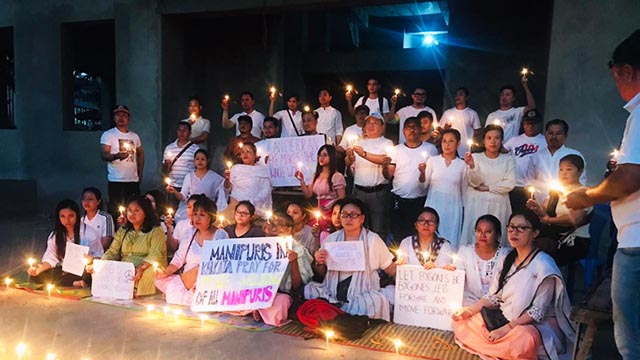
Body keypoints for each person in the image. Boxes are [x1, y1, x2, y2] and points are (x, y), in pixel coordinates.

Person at [565, 29, 640, 358]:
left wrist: (586, 196)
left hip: (637, 243)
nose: (617, 88)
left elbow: (630, 177)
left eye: (616, 78)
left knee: (631, 342)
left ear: (626, 71)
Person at [452, 211, 575, 360]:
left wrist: (506, 329)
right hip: (503, 317)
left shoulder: (544, 265)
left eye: (521, 228)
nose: (514, 232)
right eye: (511, 227)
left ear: (535, 233)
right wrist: (469, 311)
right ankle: (503, 350)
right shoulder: (506, 259)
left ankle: (500, 348)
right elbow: (493, 296)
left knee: (525, 338)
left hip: (531, 326)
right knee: (462, 321)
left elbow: (537, 312)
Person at [305, 198, 398, 321]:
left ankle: (340, 314)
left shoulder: (373, 240)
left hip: (362, 292)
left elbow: (389, 268)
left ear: (362, 219)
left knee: (377, 301)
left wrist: (402, 266)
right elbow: (322, 272)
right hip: (333, 289)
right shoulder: (331, 239)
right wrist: (319, 262)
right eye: (344, 214)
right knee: (310, 289)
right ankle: (343, 313)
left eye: (353, 215)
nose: (348, 219)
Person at [232, 212, 314, 327]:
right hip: (258, 292)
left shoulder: (298, 250)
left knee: (281, 302)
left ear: (290, 229)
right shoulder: (260, 246)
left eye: (280, 225)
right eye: (272, 223)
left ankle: (256, 310)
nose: (274, 228)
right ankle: (256, 308)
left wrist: (294, 262)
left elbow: (297, 286)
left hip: (280, 295)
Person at [155, 197, 228, 305]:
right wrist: (165, 272)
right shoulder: (190, 232)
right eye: (195, 214)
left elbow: (221, 264)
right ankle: (184, 294)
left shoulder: (221, 235)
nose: (197, 218)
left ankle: (182, 294)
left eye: (202, 215)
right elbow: (179, 258)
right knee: (158, 279)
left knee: (199, 270)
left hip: (208, 279)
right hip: (187, 280)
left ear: (212, 217)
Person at [527, 155, 591, 267]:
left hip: (573, 240)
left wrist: (549, 219)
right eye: (561, 169)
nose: (564, 173)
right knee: (525, 243)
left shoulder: (583, 193)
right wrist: (537, 208)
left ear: (580, 172)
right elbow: (544, 211)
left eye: (569, 169)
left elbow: (574, 219)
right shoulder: (556, 190)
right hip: (553, 234)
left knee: (538, 252)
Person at [384, 117, 438, 246]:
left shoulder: (430, 149)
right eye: (408, 127)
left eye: (415, 127)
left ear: (420, 129)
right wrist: (384, 166)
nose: (412, 130)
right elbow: (388, 176)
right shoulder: (396, 150)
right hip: (399, 200)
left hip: (420, 200)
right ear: (403, 131)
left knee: (419, 234)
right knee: (398, 234)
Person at [101, 196, 167, 296]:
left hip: (147, 266)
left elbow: (155, 254)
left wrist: (140, 267)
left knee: (150, 272)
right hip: (126, 267)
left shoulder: (156, 231)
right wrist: (101, 263)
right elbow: (112, 251)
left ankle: (137, 291)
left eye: (136, 210)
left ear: (145, 213)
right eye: (129, 210)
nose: (132, 214)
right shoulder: (123, 230)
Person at [461, 125, 515, 246]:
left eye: (497, 138)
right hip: (477, 204)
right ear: (484, 140)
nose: (493, 141)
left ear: (501, 141)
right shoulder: (475, 157)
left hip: (499, 204)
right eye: (489, 138)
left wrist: (488, 188)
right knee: (476, 234)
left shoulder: (508, 159)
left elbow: (510, 183)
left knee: (496, 235)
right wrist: (472, 166)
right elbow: (475, 182)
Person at [27, 199, 102, 287]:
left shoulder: (89, 233)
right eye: (62, 216)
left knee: (93, 276)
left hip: (83, 270)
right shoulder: (55, 235)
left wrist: (91, 260)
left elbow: (99, 255)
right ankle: (73, 283)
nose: (67, 220)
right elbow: (51, 258)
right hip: (63, 270)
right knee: (36, 276)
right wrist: (39, 269)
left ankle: (68, 282)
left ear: (77, 216)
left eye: (71, 216)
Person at [346, 115, 394, 242]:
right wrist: (349, 160)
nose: (371, 126)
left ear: (382, 126)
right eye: (368, 123)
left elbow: (385, 159)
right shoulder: (358, 144)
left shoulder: (387, 143)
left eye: (375, 123)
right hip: (359, 192)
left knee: (378, 229)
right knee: (358, 227)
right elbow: (351, 172)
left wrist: (364, 154)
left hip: (377, 193)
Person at [422, 129, 467, 248]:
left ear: (458, 144)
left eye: (451, 141)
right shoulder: (433, 161)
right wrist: (421, 173)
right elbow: (423, 185)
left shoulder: (462, 165)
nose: (447, 145)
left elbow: (464, 192)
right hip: (434, 204)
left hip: (453, 208)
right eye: (444, 141)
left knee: (450, 240)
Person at [452, 214, 510, 306]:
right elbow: (456, 277)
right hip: (468, 304)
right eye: (479, 231)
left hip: (496, 307)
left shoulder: (506, 255)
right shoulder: (465, 251)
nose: (482, 235)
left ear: (498, 234)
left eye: (488, 231)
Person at [100, 104, 144, 217]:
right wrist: (116, 156)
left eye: (124, 115)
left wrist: (140, 174)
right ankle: (116, 233)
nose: (121, 118)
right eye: (118, 115)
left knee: (134, 209)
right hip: (116, 180)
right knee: (116, 210)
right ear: (114, 118)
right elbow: (104, 155)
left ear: (128, 118)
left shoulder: (135, 136)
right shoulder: (109, 134)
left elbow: (140, 154)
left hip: (132, 180)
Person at [528, 119, 587, 203]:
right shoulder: (536, 156)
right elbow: (529, 181)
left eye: (558, 133)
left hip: (565, 205)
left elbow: (581, 182)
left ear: (565, 135)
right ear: (545, 135)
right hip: (539, 205)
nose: (554, 137)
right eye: (551, 133)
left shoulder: (575, 155)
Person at [504, 109, 547, 213]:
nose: (530, 126)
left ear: (539, 124)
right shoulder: (514, 140)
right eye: (527, 123)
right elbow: (500, 152)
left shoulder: (545, 141)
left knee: (531, 216)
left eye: (533, 123)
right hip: (515, 186)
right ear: (523, 124)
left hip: (535, 187)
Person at [166, 149, 227, 222]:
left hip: (207, 209)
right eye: (197, 159)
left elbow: (224, 191)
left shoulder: (215, 178)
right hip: (192, 209)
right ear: (194, 161)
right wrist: (174, 191)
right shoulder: (189, 176)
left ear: (207, 161)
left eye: (203, 159)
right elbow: (183, 196)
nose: (200, 161)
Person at [296, 144, 346, 231]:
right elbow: (308, 194)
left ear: (332, 157)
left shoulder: (337, 176)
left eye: (325, 155)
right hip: (319, 210)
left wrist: (328, 206)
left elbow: (342, 197)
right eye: (319, 155)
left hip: (331, 210)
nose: (321, 158)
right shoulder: (316, 175)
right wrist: (301, 181)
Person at [223, 142, 272, 218]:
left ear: (255, 155)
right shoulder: (235, 168)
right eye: (242, 152)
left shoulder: (261, 171)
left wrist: (250, 203)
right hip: (234, 205)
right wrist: (227, 180)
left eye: (248, 151)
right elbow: (227, 189)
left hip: (254, 207)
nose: (245, 154)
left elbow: (265, 191)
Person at [485, 78, 536, 143]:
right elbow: (486, 134)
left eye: (507, 95)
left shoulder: (517, 112)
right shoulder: (492, 115)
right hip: (496, 149)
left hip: (511, 149)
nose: (504, 97)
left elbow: (532, 107)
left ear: (513, 98)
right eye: (502, 95)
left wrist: (525, 87)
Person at [162, 121, 197, 204]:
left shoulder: (195, 149)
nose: (181, 133)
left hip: (188, 186)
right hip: (173, 185)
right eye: (179, 130)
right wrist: (167, 164)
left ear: (189, 133)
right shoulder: (169, 148)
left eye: (184, 130)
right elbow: (164, 170)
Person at [441, 87, 481, 153]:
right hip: (450, 149)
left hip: (465, 149)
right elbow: (440, 128)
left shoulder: (472, 113)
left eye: (460, 94)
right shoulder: (448, 113)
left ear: (467, 97)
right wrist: (445, 129)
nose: (457, 97)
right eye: (456, 95)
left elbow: (477, 130)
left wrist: (469, 137)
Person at [80, 187, 115, 251]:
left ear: (98, 201)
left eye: (90, 199)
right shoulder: (81, 219)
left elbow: (106, 242)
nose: (86, 202)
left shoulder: (106, 218)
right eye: (84, 199)